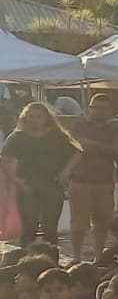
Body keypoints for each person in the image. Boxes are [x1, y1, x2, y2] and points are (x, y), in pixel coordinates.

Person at [2, 102, 81, 244]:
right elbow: (5, 159)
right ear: (25, 117)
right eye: (31, 116)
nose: (35, 120)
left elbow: (77, 153)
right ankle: (27, 261)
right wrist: (15, 180)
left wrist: (66, 172)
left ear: (46, 118)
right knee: (29, 227)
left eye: (39, 116)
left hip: (53, 185)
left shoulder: (56, 136)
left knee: (50, 227)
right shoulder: (17, 137)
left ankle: (51, 260)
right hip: (28, 186)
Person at [68, 93, 118, 259]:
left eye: (104, 108)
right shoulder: (79, 125)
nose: (99, 111)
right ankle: (76, 257)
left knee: (103, 222)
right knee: (78, 224)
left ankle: (98, 257)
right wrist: (105, 148)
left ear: (110, 110)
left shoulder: (115, 130)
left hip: (105, 181)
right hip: (80, 179)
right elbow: (79, 144)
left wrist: (94, 145)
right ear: (90, 108)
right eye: (96, 107)